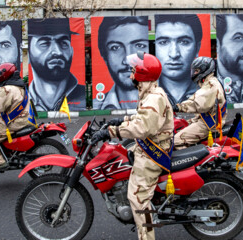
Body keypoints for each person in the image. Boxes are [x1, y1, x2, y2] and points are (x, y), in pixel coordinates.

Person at [91, 51, 174, 240]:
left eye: (133, 72)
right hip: (148, 144)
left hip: (153, 152)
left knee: (137, 198)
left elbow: (142, 127)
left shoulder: (153, 98)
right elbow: (143, 118)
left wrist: (111, 131)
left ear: (142, 75)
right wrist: (122, 119)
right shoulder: (150, 93)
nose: (130, 76)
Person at [28, 18, 85, 111]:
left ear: (72, 51)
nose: (57, 52)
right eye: (44, 44)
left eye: (63, 43)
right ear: (29, 53)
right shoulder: (24, 100)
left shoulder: (83, 99)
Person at [94, 16, 149, 110]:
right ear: (104, 54)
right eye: (115, 48)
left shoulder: (167, 102)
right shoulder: (96, 107)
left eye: (139, 45)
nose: (127, 60)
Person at [173, 57, 227, 149]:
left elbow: (198, 104)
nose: (194, 73)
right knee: (179, 126)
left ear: (205, 70)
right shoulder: (208, 82)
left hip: (209, 124)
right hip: (205, 119)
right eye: (194, 71)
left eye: (197, 71)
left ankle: (190, 161)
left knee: (175, 140)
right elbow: (196, 98)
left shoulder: (211, 85)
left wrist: (179, 107)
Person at [155, 14, 202, 105]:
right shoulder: (147, 92)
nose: (174, 54)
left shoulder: (207, 91)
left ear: (197, 48)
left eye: (184, 42)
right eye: (163, 42)